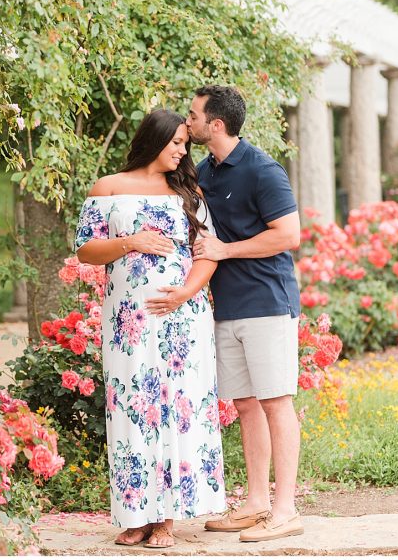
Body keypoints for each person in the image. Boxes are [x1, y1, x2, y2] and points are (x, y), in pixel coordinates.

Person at [75, 109, 226, 549]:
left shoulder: (188, 192)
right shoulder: (109, 187)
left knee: (176, 406)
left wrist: (183, 294)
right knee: (132, 406)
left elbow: (208, 253)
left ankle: (167, 518)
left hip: (182, 318)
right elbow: (85, 251)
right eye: (176, 142)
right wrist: (131, 242)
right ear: (153, 140)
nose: (182, 151)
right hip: (129, 322)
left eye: (186, 144)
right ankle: (136, 514)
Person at [184, 85, 304, 542]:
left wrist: (226, 250)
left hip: (267, 304)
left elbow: (288, 235)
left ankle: (286, 509)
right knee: (246, 405)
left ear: (216, 124)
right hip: (227, 307)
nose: (187, 120)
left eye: (193, 114)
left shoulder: (262, 170)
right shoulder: (204, 172)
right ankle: (256, 504)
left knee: (276, 402)